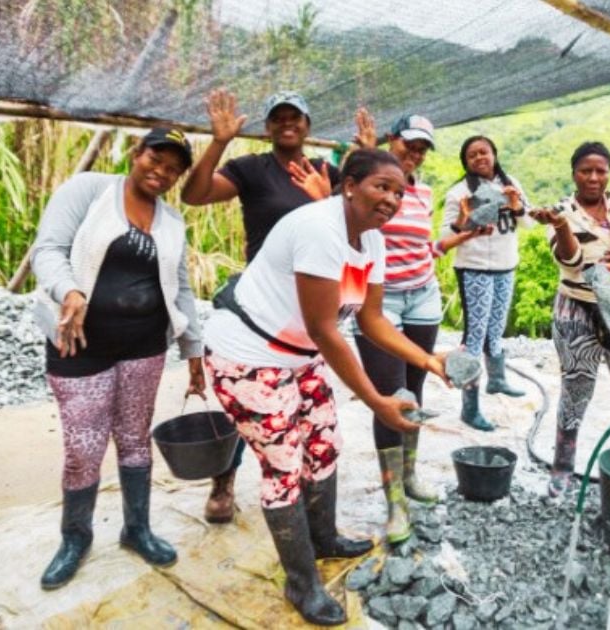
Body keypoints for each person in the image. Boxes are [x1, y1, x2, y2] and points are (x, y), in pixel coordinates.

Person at [202, 149, 449, 626]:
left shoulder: (370, 241)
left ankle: (325, 538)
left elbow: (371, 319)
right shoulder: (320, 229)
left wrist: (427, 359)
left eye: (399, 192)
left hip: (298, 357)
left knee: (325, 445)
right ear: (349, 185)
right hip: (250, 356)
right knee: (284, 466)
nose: (392, 199)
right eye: (382, 186)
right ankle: (302, 583)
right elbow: (324, 328)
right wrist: (377, 401)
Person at [30, 127, 202, 589]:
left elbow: (180, 288)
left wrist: (194, 352)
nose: (161, 172)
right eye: (155, 159)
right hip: (79, 342)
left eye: (173, 169)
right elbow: (46, 250)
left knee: (133, 438)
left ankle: (137, 529)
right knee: (84, 448)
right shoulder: (89, 191)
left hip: (144, 346)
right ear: (136, 152)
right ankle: (75, 538)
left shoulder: (172, 222)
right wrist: (68, 291)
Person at [180, 89, 357, 524]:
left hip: (308, 305)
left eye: (295, 117)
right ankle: (224, 480)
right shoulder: (252, 169)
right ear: (268, 126)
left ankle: (308, 500)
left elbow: (353, 230)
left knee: (297, 408)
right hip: (260, 303)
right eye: (278, 118)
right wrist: (220, 141)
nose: (286, 124)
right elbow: (195, 194)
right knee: (253, 399)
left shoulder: (327, 173)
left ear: (308, 125)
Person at [350, 114, 484, 543]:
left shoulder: (421, 191)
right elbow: (350, 229)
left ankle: (408, 478)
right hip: (378, 300)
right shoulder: (365, 185)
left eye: (424, 147)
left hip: (421, 296)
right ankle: (394, 504)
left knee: (415, 390)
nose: (416, 153)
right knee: (391, 399)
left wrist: (459, 235)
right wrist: (360, 155)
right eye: (410, 143)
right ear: (392, 141)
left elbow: (421, 246)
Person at [528, 141, 610, 499]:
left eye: (600, 170)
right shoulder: (562, 210)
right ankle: (563, 468)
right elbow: (570, 261)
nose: (594, 177)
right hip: (578, 308)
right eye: (586, 170)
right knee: (576, 389)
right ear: (574, 174)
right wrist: (561, 226)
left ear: (609, 173)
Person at [441, 135, 530, 432]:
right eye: (472, 155)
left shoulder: (510, 183)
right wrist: (465, 222)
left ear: (494, 154)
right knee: (475, 335)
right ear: (465, 162)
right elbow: (445, 237)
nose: (480, 158)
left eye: (484, 152)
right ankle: (470, 407)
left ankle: (497, 379)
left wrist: (516, 205)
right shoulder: (459, 193)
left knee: (495, 328)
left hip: (506, 264)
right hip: (475, 268)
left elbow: (528, 222)